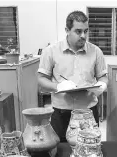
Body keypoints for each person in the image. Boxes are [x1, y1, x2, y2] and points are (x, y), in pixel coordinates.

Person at [37, 10, 108, 142]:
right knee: (61, 152)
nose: (83, 35)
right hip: (61, 112)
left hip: (89, 111)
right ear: (67, 30)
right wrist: (58, 86)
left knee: (90, 149)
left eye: (86, 31)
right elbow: (41, 79)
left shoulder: (96, 51)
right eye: (78, 31)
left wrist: (102, 85)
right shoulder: (51, 51)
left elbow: (103, 77)